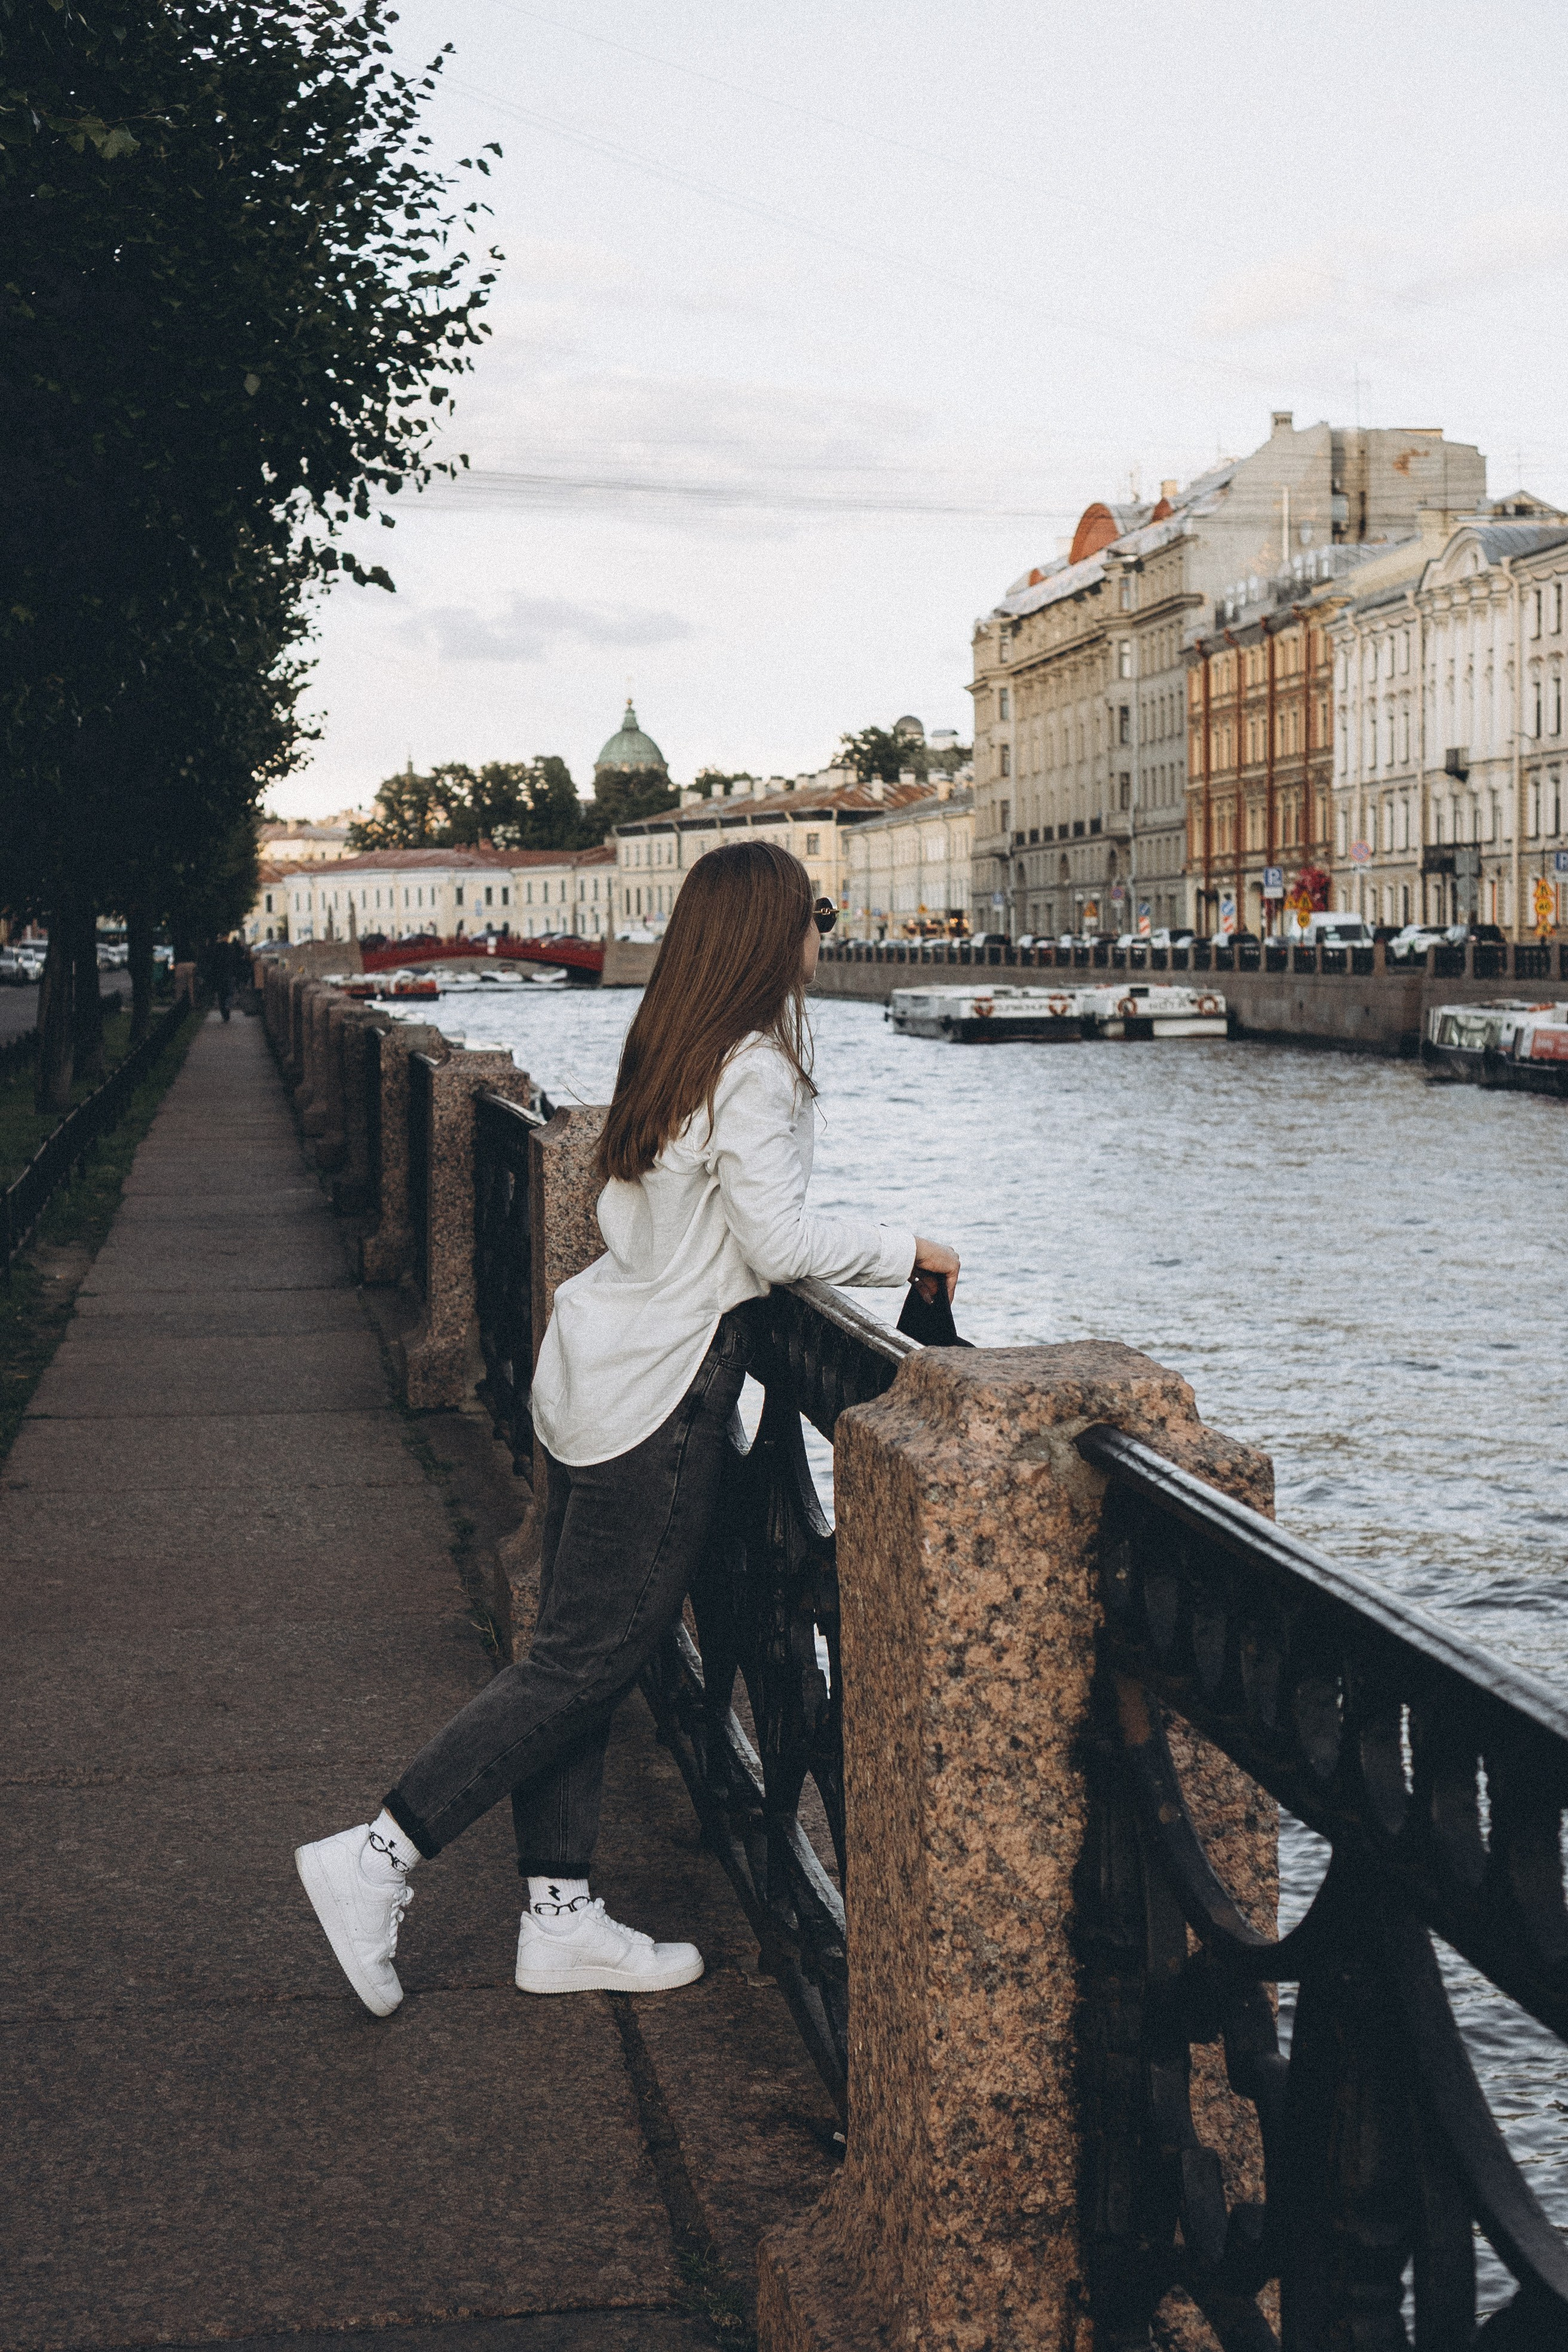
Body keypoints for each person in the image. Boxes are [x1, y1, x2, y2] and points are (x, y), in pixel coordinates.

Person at [295, 840, 960, 2015]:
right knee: (586, 1660)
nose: (825, 931)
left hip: (589, 1368)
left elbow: (628, 1211)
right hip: (660, 1392)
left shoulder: (671, 1047)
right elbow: (781, 1248)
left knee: (575, 1656)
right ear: (769, 936)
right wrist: (917, 1249)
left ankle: (560, 1915)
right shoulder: (754, 1066)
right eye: (816, 914)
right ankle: (379, 1856)